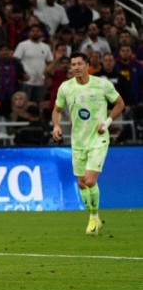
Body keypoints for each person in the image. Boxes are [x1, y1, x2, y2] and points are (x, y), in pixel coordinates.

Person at [51, 52, 125, 235]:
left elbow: (119, 103)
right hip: (78, 141)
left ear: (87, 65)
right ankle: (94, 217)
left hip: (98, 139)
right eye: (73, 64)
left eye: (79, 64)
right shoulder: (66, 87)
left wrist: (107, 123)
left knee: (90, 180)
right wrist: (56, 126)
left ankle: (93, 217)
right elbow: (57, 110)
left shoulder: (102, 84)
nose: (76, 67)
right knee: (82, 184)